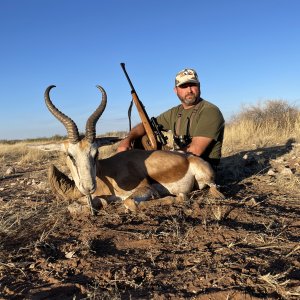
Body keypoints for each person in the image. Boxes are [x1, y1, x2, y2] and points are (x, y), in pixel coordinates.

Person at [117, 68, 225, 169]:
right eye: (184, 86)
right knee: (142, 139)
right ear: (176, 90)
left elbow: (195, 151)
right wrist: (127, 139)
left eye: (193, 85)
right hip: (180, 159)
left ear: (199, 86)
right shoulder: (175, 112)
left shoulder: (210, 111)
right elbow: (146, 125)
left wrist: (160, 158)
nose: (189, 90)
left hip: (199, 166)